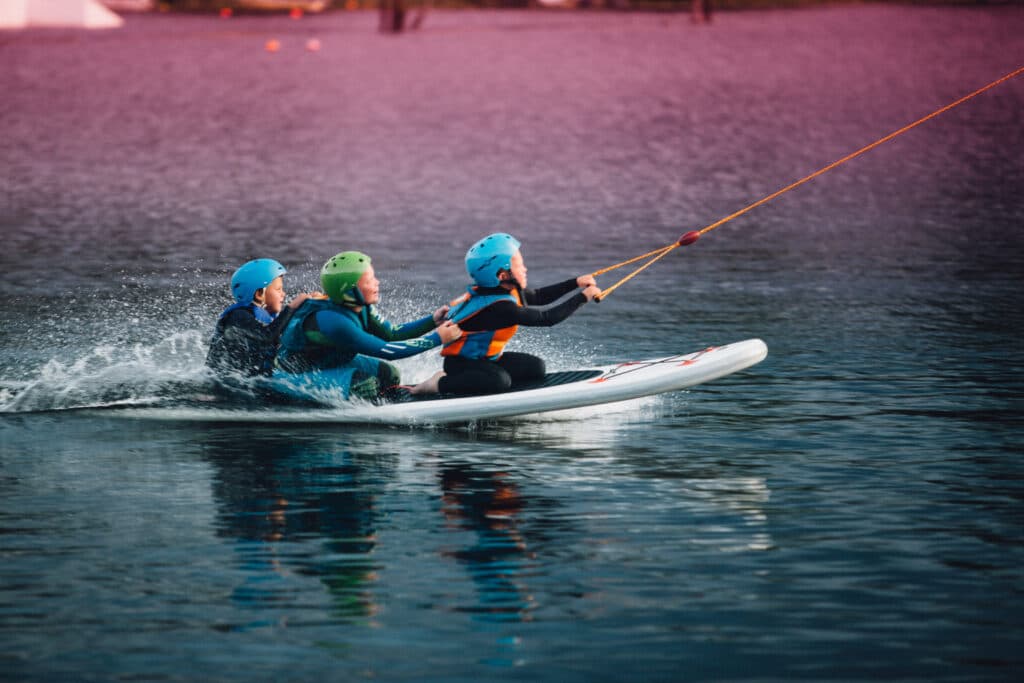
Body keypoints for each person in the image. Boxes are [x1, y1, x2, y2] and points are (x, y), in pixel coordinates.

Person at [418, 232, 601, 397]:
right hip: (461, 366)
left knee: (535, 368)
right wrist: (583, 298)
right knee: (499, 381)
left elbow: (538, 296)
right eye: (520, 266)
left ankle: (498, 388)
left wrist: (576, 283)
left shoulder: (507, 292)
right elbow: (547, 318)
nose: (525, 269)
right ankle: (438, 383)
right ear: (502, 276)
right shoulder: (500, 307)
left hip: (487, 360)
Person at [276, 251, 461, 400]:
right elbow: (387, 350)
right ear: (350, 290)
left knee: (389, 375)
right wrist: (437, 338)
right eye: (370, 280)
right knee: (364, 386)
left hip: (328, 363)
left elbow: (391, 334)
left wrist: (432, 321)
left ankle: (381, 398)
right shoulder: (333, 322)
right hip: (297, 375)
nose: (377, 283)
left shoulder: (358, 306)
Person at [205, 258, 317, 377]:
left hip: (249, 381)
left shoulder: (268, 319)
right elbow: (266, 336)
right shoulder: (238, 316)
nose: (283, 294)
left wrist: (308, 306)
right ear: (259, 294)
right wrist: (293, 306)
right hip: (224, 382)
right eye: (278, 289)